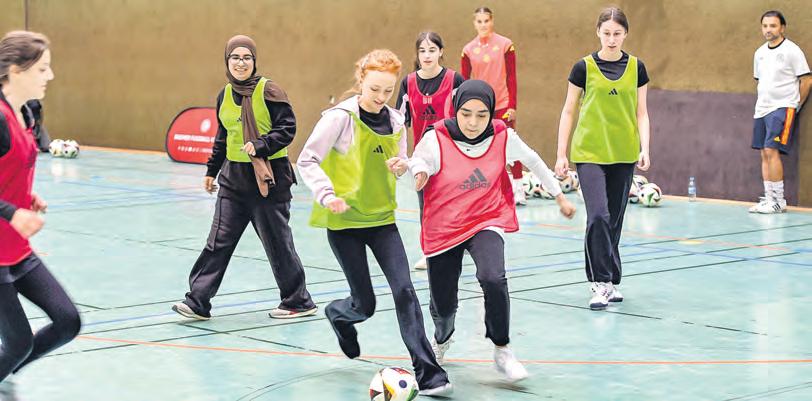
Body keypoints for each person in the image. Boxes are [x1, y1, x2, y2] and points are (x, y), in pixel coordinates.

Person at [297, 49, 452, 397]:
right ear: (361, 81)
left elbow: (400, 160)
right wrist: (326, 194)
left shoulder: (396, 120)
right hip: (345, 224)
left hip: (382, 221)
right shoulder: (339, 119)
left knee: (405, 291)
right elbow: (307, 159)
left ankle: (429, 373)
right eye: (374, 89)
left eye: (388, 90)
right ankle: (339, 315)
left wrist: (402, 165)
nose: (381, 97)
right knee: (364, 305)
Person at [403, 79, 575, 382]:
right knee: (444, 303)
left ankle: (502, 348)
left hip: (486, 217)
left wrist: (558, 195)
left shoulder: (502, 136)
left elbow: (533, 160)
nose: (473, 122)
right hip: (445, 226)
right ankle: (441, 339)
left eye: (482, 115)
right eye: (466, 114)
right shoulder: (436, 137)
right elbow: (420, 160)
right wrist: (419, 171)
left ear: (491, 113)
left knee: (493, 278)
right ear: (455, 110)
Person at [172, 35, 316, 321]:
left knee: (278, 244)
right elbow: (223, 136)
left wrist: (261, 145)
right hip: (233, 181)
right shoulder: (224, 95)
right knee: (218, 241)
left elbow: (288, 128)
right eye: (235, 57)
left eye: (246, 57)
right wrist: (211, 170)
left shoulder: (269, 91)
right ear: (227, 61)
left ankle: (298, 301)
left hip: (269, 180)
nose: (241, 63)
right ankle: (198, 301)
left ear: (254, 61)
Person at [0, 30, 81, 396]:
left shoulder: (28, 112)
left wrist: (25, 197)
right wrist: (13, 212)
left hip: (16, 248)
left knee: (67, 321)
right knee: (18, 343)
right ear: (16, 71)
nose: (50, 76)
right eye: (42, 68)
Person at [554, 7, 651, 310]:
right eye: (606, 33)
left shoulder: (637, 68)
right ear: (598, 32)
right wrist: (561, 153)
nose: (611, 39)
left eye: (617, 33)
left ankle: (611, 280)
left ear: (625, 34)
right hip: (589, 152)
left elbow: (642, 113)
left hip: (624, 153)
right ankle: (600, 282)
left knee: (615, 220)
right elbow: (568, 110)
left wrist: (645, 148)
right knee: (598, 215)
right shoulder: (582, 68)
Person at [395, 30, 464, 270]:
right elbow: (399, 123)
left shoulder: (455, 80)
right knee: (426, 206)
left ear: (440, 52)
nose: (427, 55)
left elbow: (466, 118)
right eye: (422, 51)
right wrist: (401, 157)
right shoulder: (408, 83)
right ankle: (430, 251)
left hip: (451, 154)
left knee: (453, 204)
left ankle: (456, 246)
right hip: (422, 158)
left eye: (432, 50)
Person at [749, 10, 811, 213]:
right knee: (763, 153)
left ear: (782, 28)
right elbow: (760, 81)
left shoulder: (792, 51)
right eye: (765, 26)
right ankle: (769, 199)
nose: (768, 29)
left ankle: (779, 201)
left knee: (771, 150)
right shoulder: (759, 53)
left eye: (773, 26)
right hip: (761, 110)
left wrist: (795, 105)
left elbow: (806, 80)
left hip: (782, 108)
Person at [461, 6, 524, 205]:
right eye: (479, 21)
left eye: (486, 21)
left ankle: (518, 188)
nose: (483, 25)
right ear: (474, 23)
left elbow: (512, 77)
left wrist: (512, 105)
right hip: (481, 108)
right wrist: (464, 110)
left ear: (492, 21)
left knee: (510, 144)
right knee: (483, 148)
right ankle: (489, 191)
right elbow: (464, 82)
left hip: (503, 104)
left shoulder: (505, 45)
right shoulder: (468, 50)